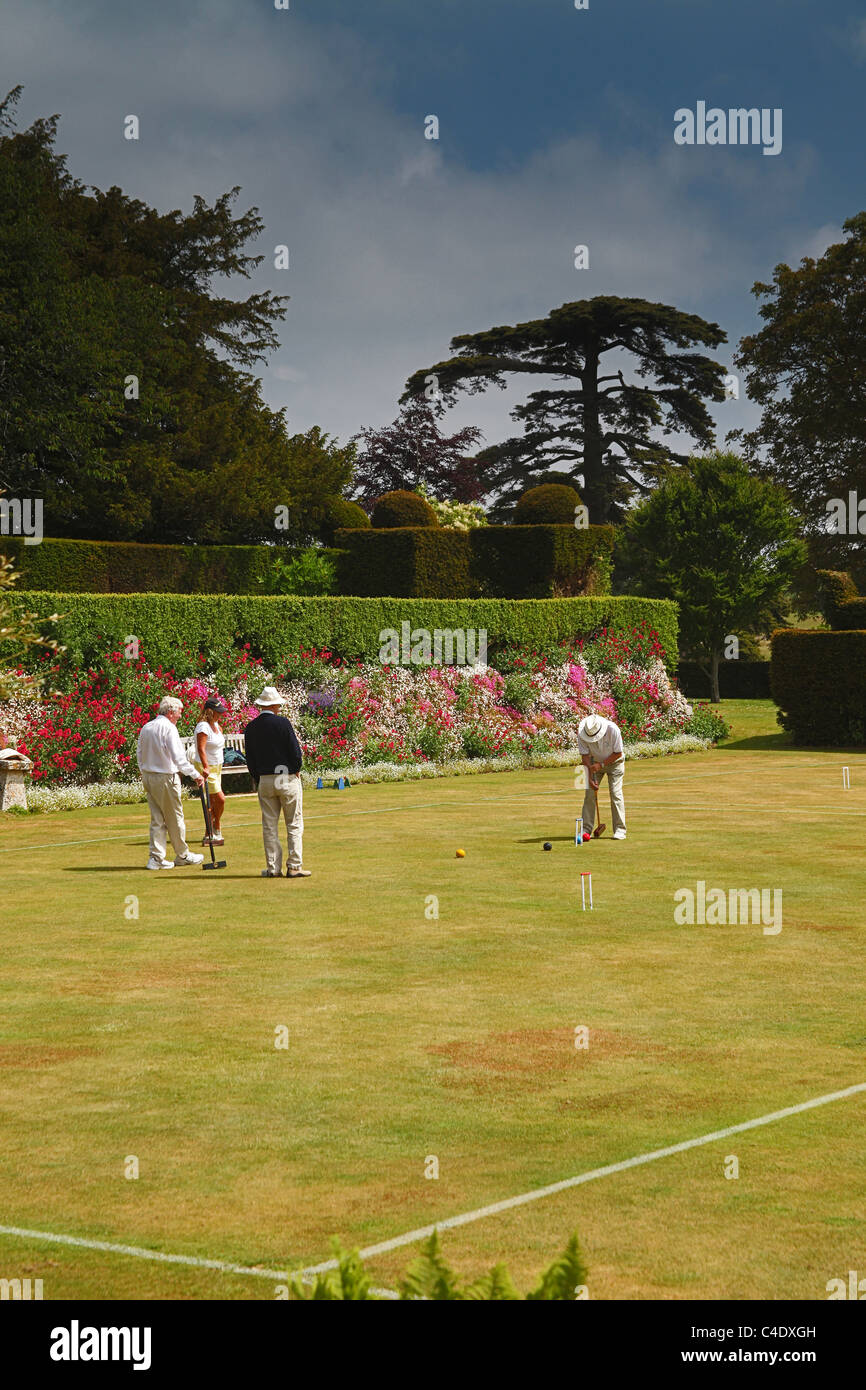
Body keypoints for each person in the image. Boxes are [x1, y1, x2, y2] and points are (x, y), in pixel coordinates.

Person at [243, 686, 310, 879]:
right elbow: (295, 752)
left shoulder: (251, 727)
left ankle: (273, 868)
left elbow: (251, 759)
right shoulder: (282, 723)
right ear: (274, 704)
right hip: (284, 775)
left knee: (269, 825)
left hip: (265, 778)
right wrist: (296, 768)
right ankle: (294, 865)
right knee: (294, 823)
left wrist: (258, 777)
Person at [136, 696, 205, 869]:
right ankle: (182, 855)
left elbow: (139, 753)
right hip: (165, 777)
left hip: (149, 776)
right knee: (175, 818)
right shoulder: (169, 728)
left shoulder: (147, 727)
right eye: (179, 712)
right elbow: (179, 759)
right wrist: (195, 774)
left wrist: (144, 771)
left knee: (157, 818)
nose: (180, 716)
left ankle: (156, 858)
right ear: (171, 712)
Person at [578, 712, 626, 840]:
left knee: (615, 793)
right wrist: (589, 777)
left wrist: (602, 764)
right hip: (593, 764)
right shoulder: (582, 733)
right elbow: (584, 756)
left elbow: (618, 753)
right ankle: (585, 829)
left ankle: (620, 830)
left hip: (615, 763)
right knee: (589, 794)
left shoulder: (613, 730)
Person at [194, 697, 228, 846]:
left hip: (217, 766)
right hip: (206, 767)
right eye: (217, 712)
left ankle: (211, 830)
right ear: (210, 711)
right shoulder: (203, 727)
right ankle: (215, 826)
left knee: (214, 801)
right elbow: (201, 748)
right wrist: (206, 767)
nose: (220, 714)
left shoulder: (216, 725)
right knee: (220, 799)